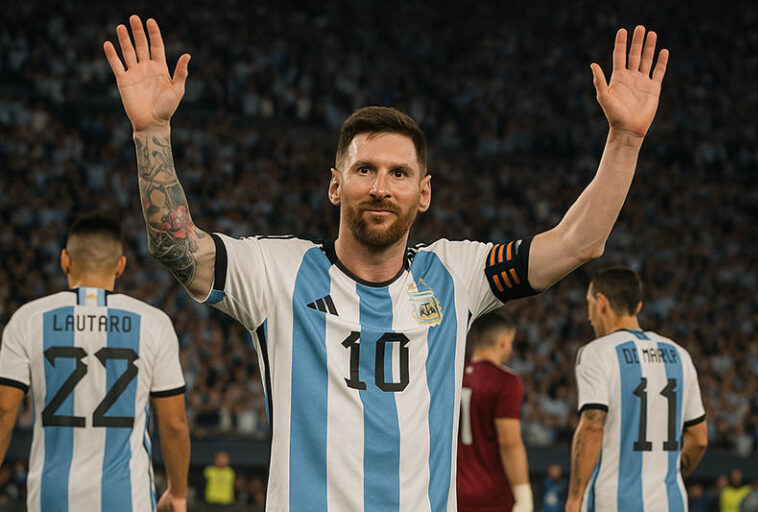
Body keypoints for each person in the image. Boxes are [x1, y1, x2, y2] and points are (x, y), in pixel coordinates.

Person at [104, 15, 669, 509]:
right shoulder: (278, 272)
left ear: (424, 193)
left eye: (399, 173)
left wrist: (624, 140)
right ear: (335, 185)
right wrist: (151, 132)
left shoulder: (456, 275)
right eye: (365, 170)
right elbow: (177, 246)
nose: (381, 187)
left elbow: (576, 243)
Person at [0, 213, 190, 512]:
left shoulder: (28, 319)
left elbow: (3, 411)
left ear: (65, 260)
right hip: (127, 497)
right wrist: (177, 492)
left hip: (51, 496)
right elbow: (175, 424)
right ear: (120, 265)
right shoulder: (154, 323)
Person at [565, 268, 708, 512]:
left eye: (589, 304)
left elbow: (592, 427)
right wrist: (667, 476)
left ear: (601, 302)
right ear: (638, 306)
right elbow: (700, 439)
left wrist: (575, 497)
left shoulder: (597, 353)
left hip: (613, 501)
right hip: (670, 501)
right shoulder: (680, 355)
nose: (589, 317)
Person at [457, 312, 532, 511]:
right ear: (503, 340)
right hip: (492, 494)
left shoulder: (451, 376)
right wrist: (523, 494)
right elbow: (510, 444)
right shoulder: (505, 381)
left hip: (451, 493)